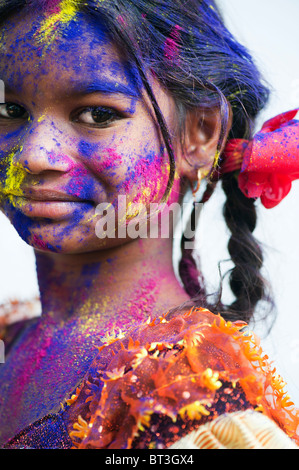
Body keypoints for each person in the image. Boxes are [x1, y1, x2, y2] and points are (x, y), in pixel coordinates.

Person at [0, 0, 298, 449]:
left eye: (98, 114)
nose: (34, 155)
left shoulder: (191, 402)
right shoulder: (13, 336)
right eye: (10, 111)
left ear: (200, 133)